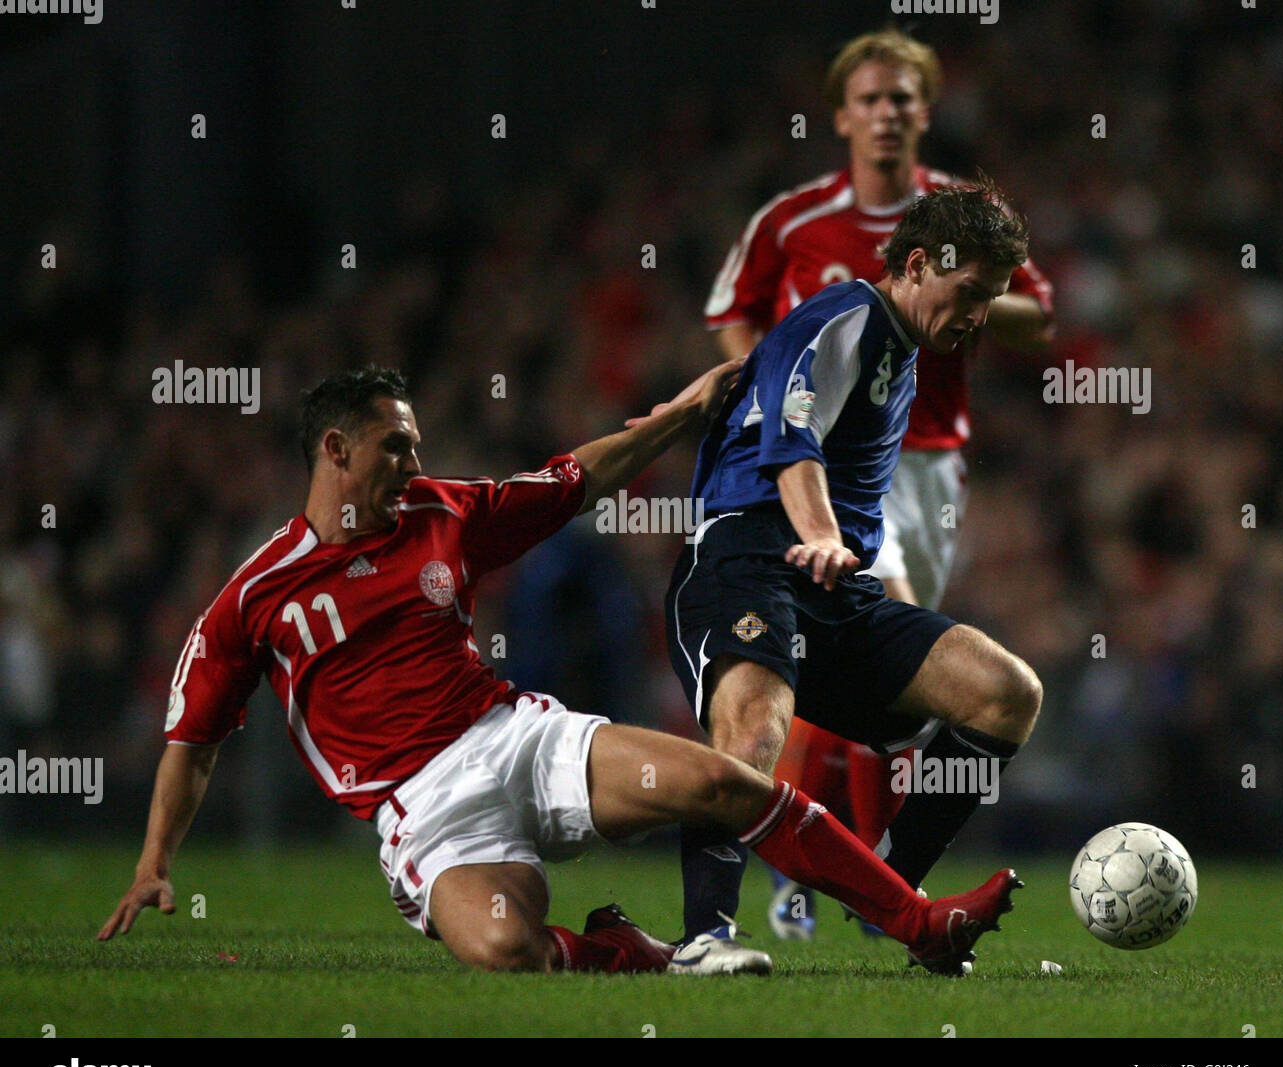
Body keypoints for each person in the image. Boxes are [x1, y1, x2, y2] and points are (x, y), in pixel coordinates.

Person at [99, 361, 1022, 975]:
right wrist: (152, 864)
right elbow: (194, 739)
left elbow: (572, 481)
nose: (415, 460)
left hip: (517, 738)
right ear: (335, 452)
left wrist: (678, 417)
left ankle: (920, 924)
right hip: (425, 809)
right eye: (396, 446)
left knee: (722, 780)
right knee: (506, 949)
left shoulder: (441, 513)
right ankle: (630, 953)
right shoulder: (256, 595)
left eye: (417, 444)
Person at [702, 29, 1055, 941]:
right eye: (871, 98)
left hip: (923, 461)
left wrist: (975, 298)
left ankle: (874, 886)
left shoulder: (958, 219)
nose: (888, 112)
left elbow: (1039, 318)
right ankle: (835, 895)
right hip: (807, 483)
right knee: (830, 658)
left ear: (924, 112)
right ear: (843, 116)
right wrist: (774, 397)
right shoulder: (798, 228)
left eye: (904, 97)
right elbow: (737, 324)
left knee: (925, 708)